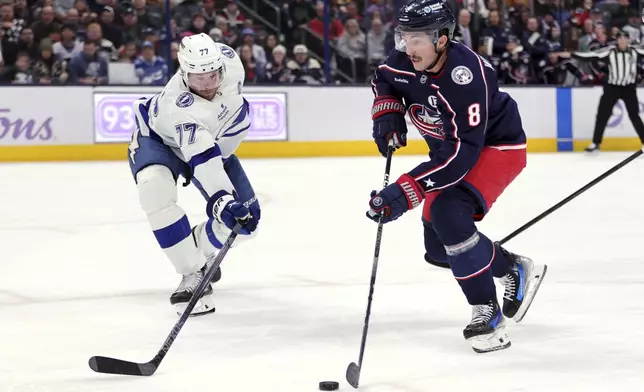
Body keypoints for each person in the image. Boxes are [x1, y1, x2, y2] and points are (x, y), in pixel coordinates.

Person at [367, 0, 547, 353]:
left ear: (442, 39)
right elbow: (383, 80)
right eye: (403, 36)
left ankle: (487, 313)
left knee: (450, 215)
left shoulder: (466, 76)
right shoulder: (405, 58)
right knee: (438, 249)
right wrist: (386, 114)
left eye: (416, 38)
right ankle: (512, 268)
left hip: (495, 148)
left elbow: (463, 155)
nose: (406, 46)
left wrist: (406, 191)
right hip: (449, 153)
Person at [128, 33, 260, 317]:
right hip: (160, 142)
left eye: (213, 76)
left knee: (247, 223)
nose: (207, 85)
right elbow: (203, 162)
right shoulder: (178, 106)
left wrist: (225, 204)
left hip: (214, 146)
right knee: (154, 188)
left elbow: (213, 155)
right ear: (183, 73)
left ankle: (201, 254)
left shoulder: (230, 60)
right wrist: (221, 200)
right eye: (199, 79)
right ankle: (191, 272)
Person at [559, 30, 644, 152]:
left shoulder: (635, 51)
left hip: (629, 88)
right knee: (602, 115)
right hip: (612, 87)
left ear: (628, 40)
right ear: (617, 40)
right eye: (620, 38)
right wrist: (572, 54)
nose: (623, 41)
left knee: (634, 115)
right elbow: (591, 55)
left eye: (625, 38)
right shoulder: (610, 51)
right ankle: (596, 142)